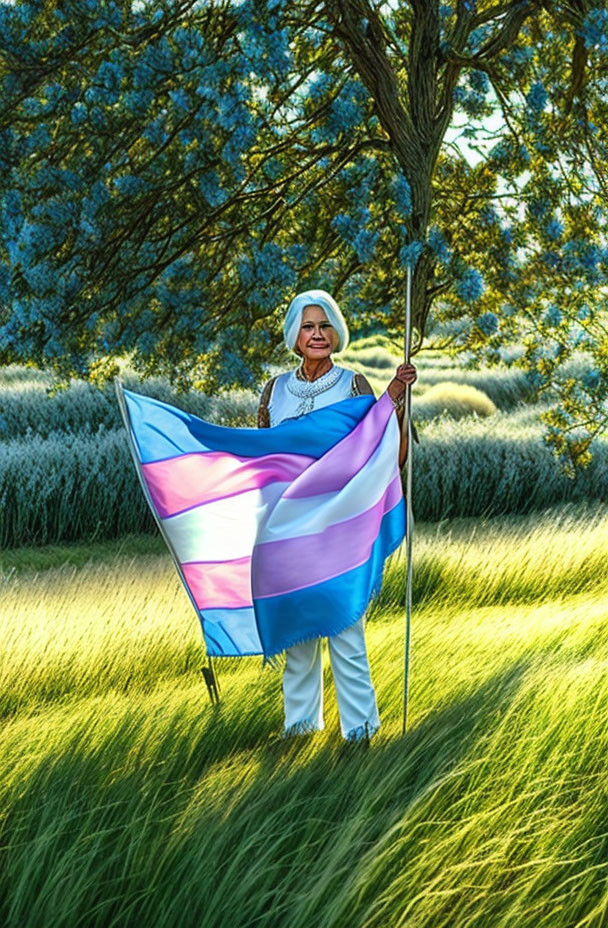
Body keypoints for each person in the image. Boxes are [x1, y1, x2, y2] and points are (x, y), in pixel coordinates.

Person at [258, 289, 417, 742]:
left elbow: (382, 450)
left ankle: (360, 735)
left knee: (346, 633)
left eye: (325, 326)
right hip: (288, 530)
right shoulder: (274, 390)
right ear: (294, 334)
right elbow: (264, 460)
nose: (318, 334)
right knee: (298, 639)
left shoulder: (353, 385)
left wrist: (396, 399)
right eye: (308, 326)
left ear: (337, 331)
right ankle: (300, 730)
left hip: (339, 531)